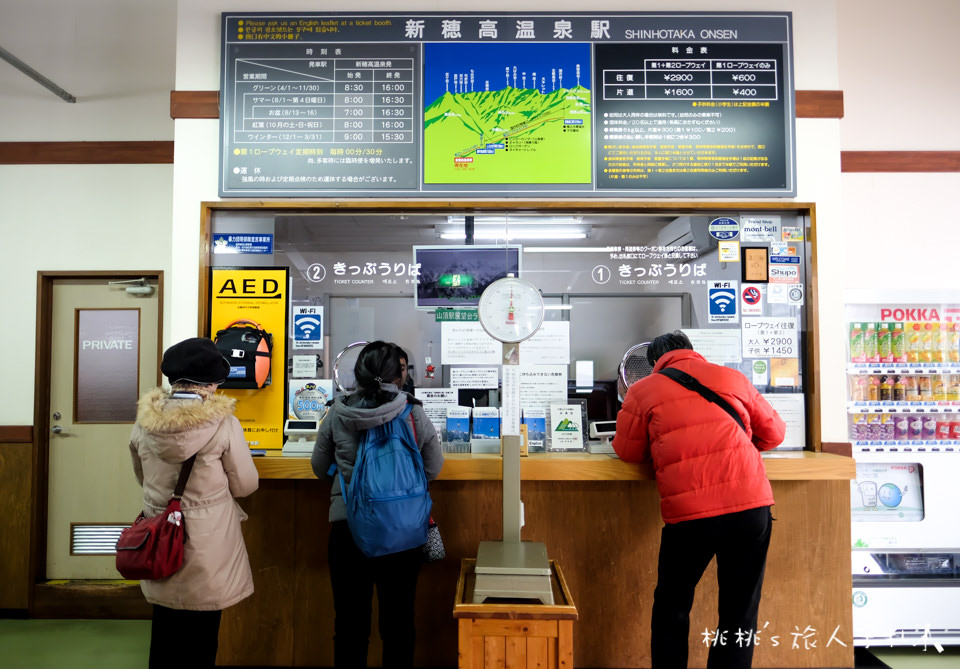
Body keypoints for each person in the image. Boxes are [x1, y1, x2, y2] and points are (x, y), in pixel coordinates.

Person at [612, 331, 785, 669]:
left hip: (692, 516)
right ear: (692, 351)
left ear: (653, 363)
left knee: (672, 606)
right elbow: (775, 434)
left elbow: (629, 452)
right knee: (740, 611)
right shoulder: (732, 377)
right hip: (750, 506)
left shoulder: (643, 390)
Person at [128, 337, 259, 669]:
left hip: (159, 538)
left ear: (174, 380)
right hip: (208, 543)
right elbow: (245, 485)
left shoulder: (145, 421)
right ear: (213, 382)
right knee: (202, 638)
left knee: (164, 634)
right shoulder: (224, 423)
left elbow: (142, 476)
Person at [312, 340, 444, 669]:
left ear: (357, 372)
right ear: (397, 374)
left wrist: (350, 486)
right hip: (403, 530)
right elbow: (433, 468)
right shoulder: (413, 412)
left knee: (350, 626)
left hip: (348, 529)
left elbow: (319, 466)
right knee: (399, 625)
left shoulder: (337, 412)